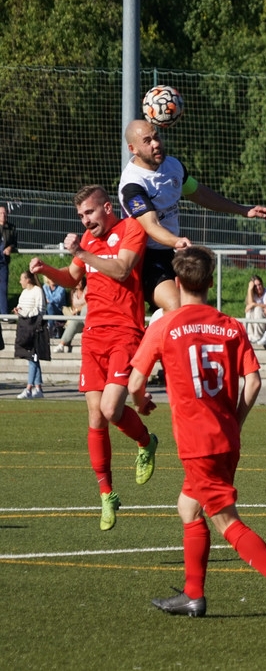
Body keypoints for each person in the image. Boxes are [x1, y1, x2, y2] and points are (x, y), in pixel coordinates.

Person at [127, 246, 266, 622]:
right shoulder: (230, 326)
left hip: (197, 443)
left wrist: (142, 403)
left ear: (177, 284)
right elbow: (253, 383)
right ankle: (193, 595)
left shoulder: (164, 326)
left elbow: (134, 384)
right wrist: (235, 423)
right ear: (211, 283)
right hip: (226, 438)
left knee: (225, 520)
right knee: (188, 506)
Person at [29, 185, 158, 530]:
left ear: (107, 207)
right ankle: (106, 494)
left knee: (111, 409)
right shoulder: (88, 240)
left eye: (89, 212)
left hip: (125, 332)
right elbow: (72, 277)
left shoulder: (131, 228)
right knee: (95, 416)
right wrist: (45, 269)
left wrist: (82, 253)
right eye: (81, 216)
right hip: (93, 336)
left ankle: (146, 442)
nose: (85, 221)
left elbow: (122, 270)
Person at [118, 119, 266, 314]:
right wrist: (176, 241)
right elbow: (151, 225)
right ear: (133, 149)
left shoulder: (173, 166)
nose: (156, 143)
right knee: (177, 306)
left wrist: (242, 210)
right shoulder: (133, 184)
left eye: (156, 137)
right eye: (147, 141)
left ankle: (158, 324)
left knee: (193, 307)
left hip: (169, 252)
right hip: (143, 256)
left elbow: (198, 193)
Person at [13, 271, 46, 399]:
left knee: (33, 356)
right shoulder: (24, 293)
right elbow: (21, 306)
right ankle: (38, 388)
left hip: (34, 326)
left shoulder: (37, 291)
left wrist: (26, 313)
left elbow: (40, 309)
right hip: (24, 326)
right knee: (32, 357)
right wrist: (18, 310)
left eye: (22, 279)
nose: (20, 281)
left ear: (28, 280)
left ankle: (29, 387)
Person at [54, 277, 87, 353]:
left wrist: (78, 309)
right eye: (76, 281)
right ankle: (61, 345)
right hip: (79, 318)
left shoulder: (87, 290)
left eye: (80, 281)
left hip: (88, 317)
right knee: (74, 322)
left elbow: (90, 302)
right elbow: (73, 307)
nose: (78, 283)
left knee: (85, 309)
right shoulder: (73, 294)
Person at [244, 275, 266, 344]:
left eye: (259, 284)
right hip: (256, 319)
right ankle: (250, 337)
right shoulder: (253, 294)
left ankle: (258, 336)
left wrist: (254, 304)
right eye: (255, 286)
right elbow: (247, 308)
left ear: (262, 284)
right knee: (249, 311)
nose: (258, 287)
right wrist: (249, 289)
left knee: (258, 309)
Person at [0, 202, 18, 315]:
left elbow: (14, 243)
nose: (3, 215)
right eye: (1, 213)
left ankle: (4, 313)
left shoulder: (11, 228)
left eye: (4, 213)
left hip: (3, 261)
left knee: (3, 287)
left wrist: (10, 247)